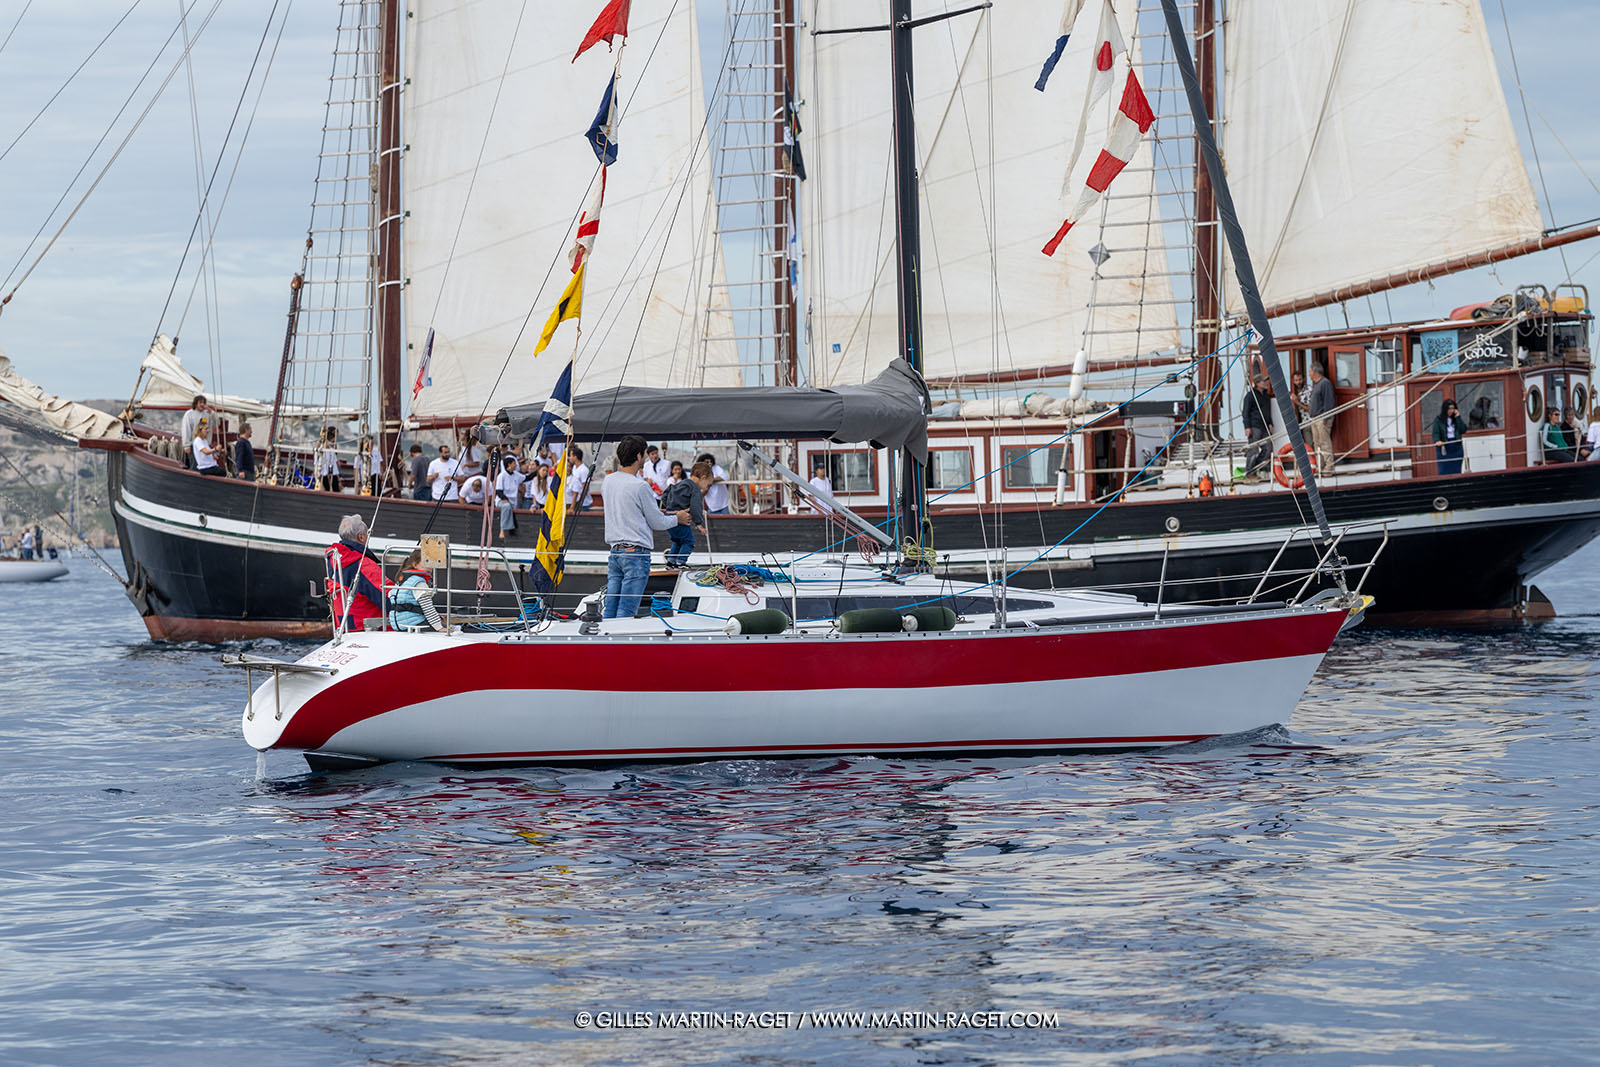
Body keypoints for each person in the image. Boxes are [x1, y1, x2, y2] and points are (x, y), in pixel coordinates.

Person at [602, 435, 691, 619]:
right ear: (638, 456)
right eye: (643, 453)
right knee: (627, 611)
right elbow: (657, 522)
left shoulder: (608, 482)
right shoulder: (640, 486)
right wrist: (678, 518)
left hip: (615, 552)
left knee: (609, 610)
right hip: (636, 554)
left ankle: (607, 645)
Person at [324, 513, 389, 632]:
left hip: (346, 627)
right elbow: (389, 598)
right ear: (361, 537)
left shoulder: (333, 558)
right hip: (372, 630)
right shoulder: (363, 565)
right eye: (368, 534)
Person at [660, 460, 709, 567]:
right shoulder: (694, 489)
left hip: (669, 517)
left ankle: (671, 561)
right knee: (688, 541)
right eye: (707, 484)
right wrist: (699, 524)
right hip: (681, 520)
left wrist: (669, 508)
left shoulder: (679, 484)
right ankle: (681, 562)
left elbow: (665, 495)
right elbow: (696, 507)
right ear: (703, 478)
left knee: (677, 541)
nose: (706, 486)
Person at [388, 547, 448, 632]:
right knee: (453, 629)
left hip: (397, 624)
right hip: (414, 624)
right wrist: (439, 627)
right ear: (415, 565)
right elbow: (428, 608)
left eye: (431, 562)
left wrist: (435, 616)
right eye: (426, 562)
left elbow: (390, 595)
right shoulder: (419, 583)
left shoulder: (402, 581)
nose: (430, 565)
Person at [1241, 373, 1273, 479]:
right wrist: (1247, 427)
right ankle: (1250, 472)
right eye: (1263, 381)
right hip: (1254, 426)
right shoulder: (1250, 396)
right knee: (1253, 450)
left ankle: (1254, 468)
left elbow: (1267, 411)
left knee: (1267, 449)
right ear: (1257, 383)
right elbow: (1245, 412)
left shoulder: (1266, 396)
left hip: (1264, 427)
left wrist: (1270, 423)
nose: (1265, 383)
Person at [1306, 363, 1336, 472]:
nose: (1309, 374)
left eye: (1309, 372)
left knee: (1325, 442)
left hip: (1322, 418)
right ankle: (1320, 465)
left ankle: (1329, 466)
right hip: (1314, 418)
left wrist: (1326, 417)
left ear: (1314, 372)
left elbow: (1329, 401)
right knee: (1317, 443)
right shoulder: (1315, 384)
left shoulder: (1325, 383)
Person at [1431, 398, 1467, 475]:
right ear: (1445, 409)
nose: (1451, 410)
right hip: (1444, 447)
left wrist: (1458, 417)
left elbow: (1463, 430)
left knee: (1456, 470)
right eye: (1449, 408)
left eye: (1453, 408)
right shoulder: (1438, 420)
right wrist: (1437, 441)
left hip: (1456, 446)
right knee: (1443, 471)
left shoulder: (1456, 419)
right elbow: (1435, 433)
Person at [494, 454, 524, 540]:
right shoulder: (501, 476)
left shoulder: (516, 475)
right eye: (514, 463)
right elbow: (498, 491)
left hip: (513, 501)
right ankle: (502, 530)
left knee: (512, 507)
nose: (516, 465)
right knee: (506, 507)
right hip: (502, 500)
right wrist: (505, 499)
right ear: (509, 464)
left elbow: (526, 478)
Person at [179, 396, 208, 469]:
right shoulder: (189, 414)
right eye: (200, 402)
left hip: (202, 445)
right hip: (193, 445)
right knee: (194, 465)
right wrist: (186, 446)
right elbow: (186, 429)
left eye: (204, 403)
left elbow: (214, 423)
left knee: (202, 465)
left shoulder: (205, 415)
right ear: (195, 404)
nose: (202, 404)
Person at [565, 446, 592, 510]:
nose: (569, 458)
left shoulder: (584, 470)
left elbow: (585, 487)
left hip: (583, 503)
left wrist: (581, 500)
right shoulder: (574, 468)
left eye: (571, 456)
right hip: (574, 502)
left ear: (575, 457)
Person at [315, 426, 341, 492]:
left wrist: (338, 480)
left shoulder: (332, 448)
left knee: (335, 490)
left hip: (331, 474)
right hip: (323, 475)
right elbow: (317, 465)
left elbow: (335, 466)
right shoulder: (321, 447)